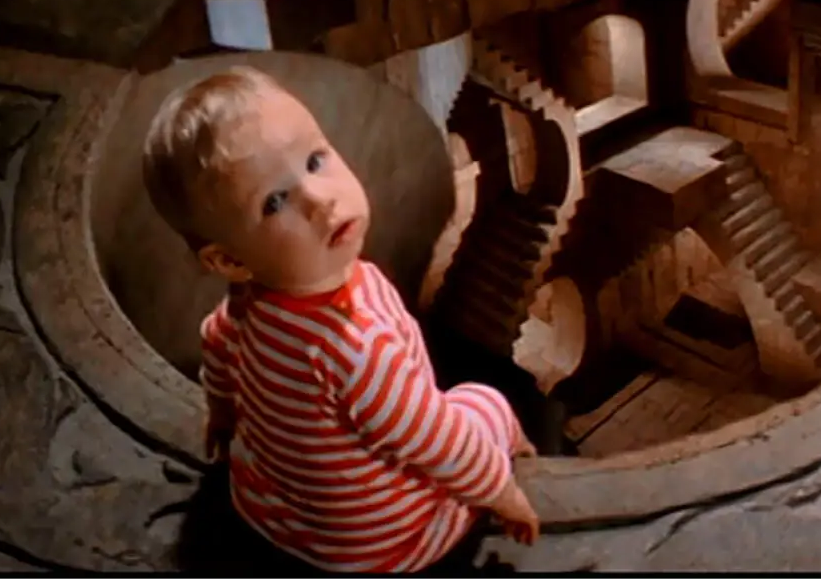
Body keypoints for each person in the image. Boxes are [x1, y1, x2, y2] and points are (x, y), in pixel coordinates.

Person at [143, 66, 540, 573]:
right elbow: (433, 438)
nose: (318, 199)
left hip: (275, 512)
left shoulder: (243, 304)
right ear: (229, 259)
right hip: (381, 544)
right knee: (483, 402)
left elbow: (216, 347)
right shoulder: (356, 343)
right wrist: (501, 493)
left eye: (314, 160)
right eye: (274, 202)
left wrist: (222, 415)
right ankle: (522, 455)